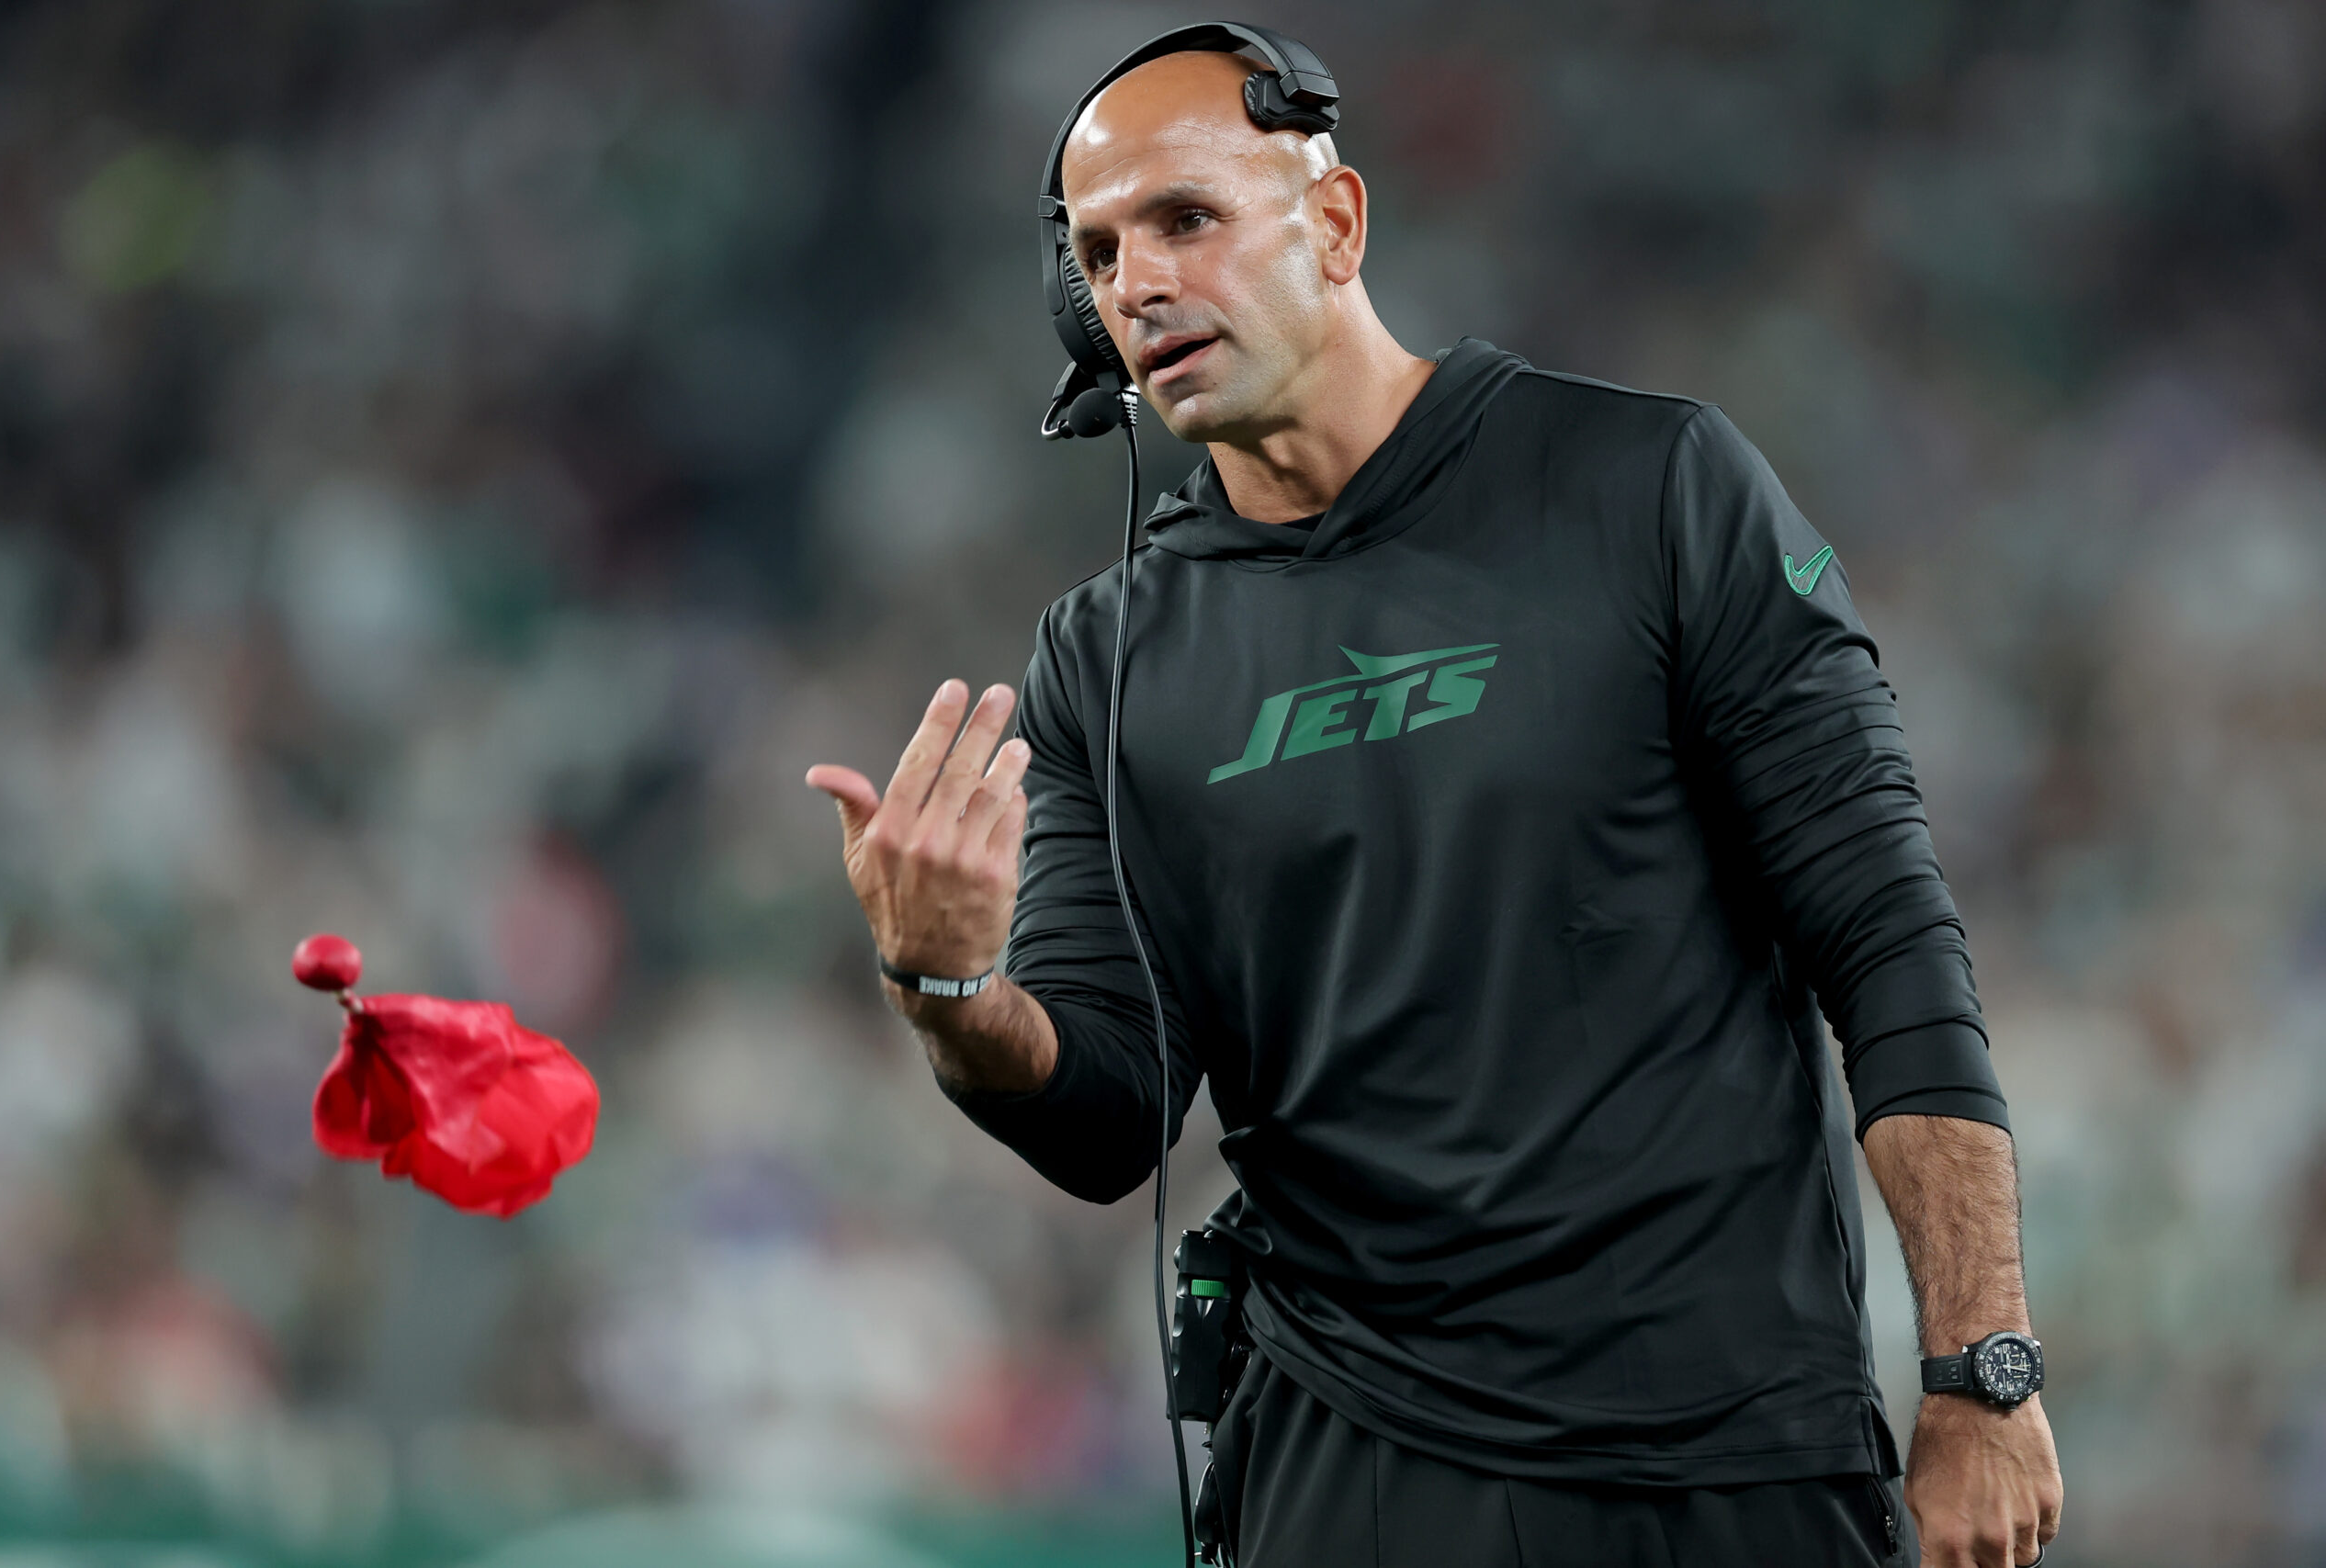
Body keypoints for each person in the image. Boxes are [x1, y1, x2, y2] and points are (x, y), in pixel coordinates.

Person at [807, 40, 2063, 1568]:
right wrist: (948, 987)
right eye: (1097, 250)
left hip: (1731, 1464)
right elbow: (1108, 1118)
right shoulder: (1107, 658)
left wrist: (1981, 1373)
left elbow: (1892, 950)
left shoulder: (1652, 485)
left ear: (1335, 223)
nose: (1135, 282)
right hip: (1363, 1475)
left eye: (1185, 219)